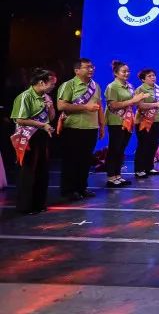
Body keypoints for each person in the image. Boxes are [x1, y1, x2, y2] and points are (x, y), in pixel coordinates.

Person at [10, 68, 57, 214]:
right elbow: (20, 119)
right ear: (41, 82)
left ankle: (39, 204)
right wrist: (42, 125)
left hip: (42, 136)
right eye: (52, 83)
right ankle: (25, 206)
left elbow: (51, 117)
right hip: (28, 137)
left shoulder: (46, 96)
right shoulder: (25, 96)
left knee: (42, 170)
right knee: (28, 171)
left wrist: (50, 108)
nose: (53, 86)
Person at [56, 58, 103, 201]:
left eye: (92, 67)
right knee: (71, 160)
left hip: (91, 127)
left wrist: (102, 125)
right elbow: (61, 106)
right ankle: (69, 190)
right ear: (77, 70)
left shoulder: (95, 86)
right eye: (87, 67)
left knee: (85, 160)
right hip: (73, 128)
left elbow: (99, 106)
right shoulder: (68, 85)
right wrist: (85, 107)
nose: (91, 69)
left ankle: (82, 187)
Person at [132, 68, 159, 178]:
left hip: (158, 120)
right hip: (143, 121)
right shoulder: (140, 90)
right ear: (143, 79)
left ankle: (149, 167)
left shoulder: (158, 88)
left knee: (154, 145)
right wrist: (156, 104)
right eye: (149, 76)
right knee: (143, 145)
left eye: (153, 75)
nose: (153, 77)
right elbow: (140, 105)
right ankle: (139, 169)